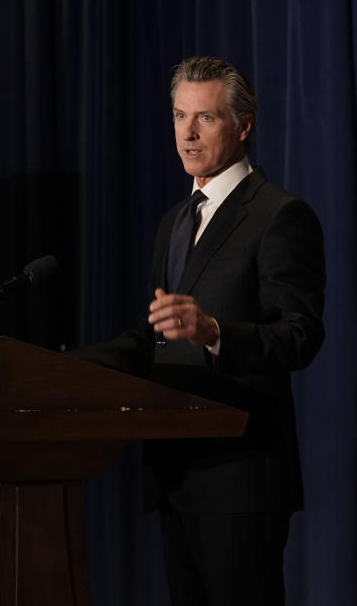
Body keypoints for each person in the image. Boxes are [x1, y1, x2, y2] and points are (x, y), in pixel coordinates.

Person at [75, 56, 326, 605]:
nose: (186, 134)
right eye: (178, 116)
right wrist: (73, 366)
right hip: (177, 472)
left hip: (242, 480)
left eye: (205, 119)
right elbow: (157, 337)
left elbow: (300, 335)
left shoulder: (280, 215)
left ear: (243, 125)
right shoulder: (175, 220)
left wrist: (214, 331)